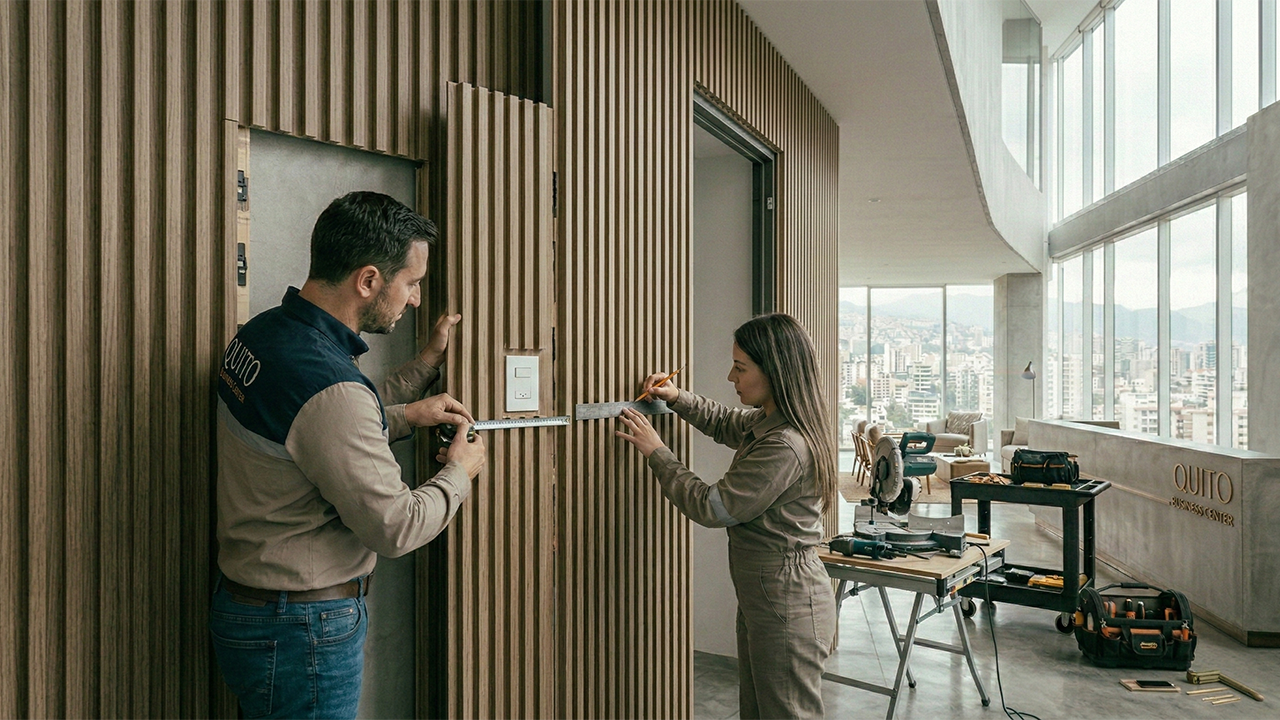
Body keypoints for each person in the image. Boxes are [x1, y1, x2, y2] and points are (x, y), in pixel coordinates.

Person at [211, 191, 486, 719]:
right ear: (368, 280)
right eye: (412, 283)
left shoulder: (264, 334)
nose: (415, 301)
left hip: (254, 610)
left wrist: (410, 403)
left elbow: (313, 433)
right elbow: (396, 526)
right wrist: (460, 471)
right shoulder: (331, 389)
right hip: (302, 633)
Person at [615, 313, 839, 719]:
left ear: (775, 371)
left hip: (787, 599)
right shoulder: (773, 421)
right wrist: (677, 397)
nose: (730, 377)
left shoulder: (786, 444)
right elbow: (727, 423)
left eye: (740, 368)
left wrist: (657, 452)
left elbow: (713, 506)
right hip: (768, 595)